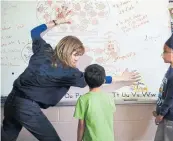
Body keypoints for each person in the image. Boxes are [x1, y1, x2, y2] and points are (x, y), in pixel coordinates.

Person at [1, 7, 140, 141]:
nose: (77, 59)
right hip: (27, 107)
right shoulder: (68, 72)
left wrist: (56, 22)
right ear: (67, 50)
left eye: (79, 56)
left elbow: (34, 32)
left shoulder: (45, 50)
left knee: (6, 136)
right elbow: (94, 78)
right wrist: (120, 78)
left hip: (12, 99)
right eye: (75, 55)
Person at [74, 64, 116, 141]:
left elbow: (81, 125)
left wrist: (79, 140)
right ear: (103, 80)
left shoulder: (83, 99)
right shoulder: (109, 97)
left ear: (85, 80)